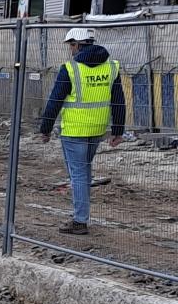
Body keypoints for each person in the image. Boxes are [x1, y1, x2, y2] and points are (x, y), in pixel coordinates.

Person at [37, 27, 125, 236]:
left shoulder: (71, 68)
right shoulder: (111, 67)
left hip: (75, 130)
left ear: (77, 45)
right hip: (97, 129)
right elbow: (119, 100)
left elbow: (55, 101)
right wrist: (118, 130)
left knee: (78, 175)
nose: (70, 50)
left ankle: (79, 221)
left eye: (71, 45)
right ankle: (81, 217)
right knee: (83, 172)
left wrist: (45, 128)